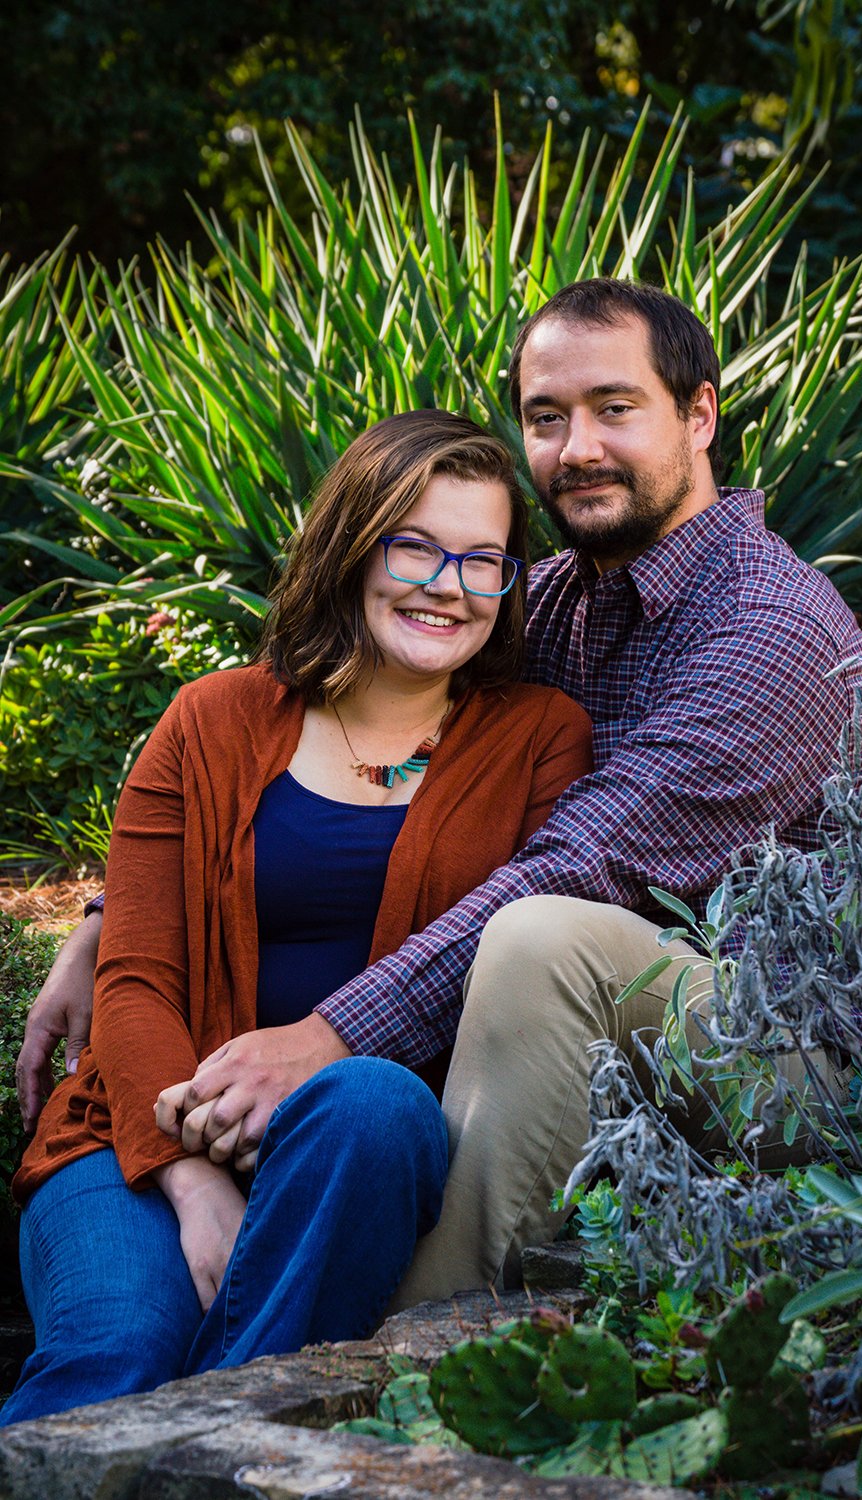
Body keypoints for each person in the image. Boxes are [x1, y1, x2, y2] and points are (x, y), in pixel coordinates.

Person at [16, 278, 862, 1318]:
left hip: (793, 1060)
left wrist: (324, 1037)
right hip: (607, 1033)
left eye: (614, 408)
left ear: (698, 415)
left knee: (541, 938)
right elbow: (353, 742)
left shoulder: (768, 630)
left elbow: (581, 868)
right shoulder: (557, 597)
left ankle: (402, 1351)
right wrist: (120, 916)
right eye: (545, 416)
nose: (576, 448)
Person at [0, 409, 593, 1424]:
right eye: (417, 546)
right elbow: (136, 976)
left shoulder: (539, 740)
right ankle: (220, 1433)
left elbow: (504, 969)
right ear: (352, 546)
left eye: (483, 560)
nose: (449, 586)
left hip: (357, 1165)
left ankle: (214, 1438)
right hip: (140, 1143)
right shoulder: (211, 719)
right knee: (121, 1349)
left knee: (368, 1100)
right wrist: (194, 1183)